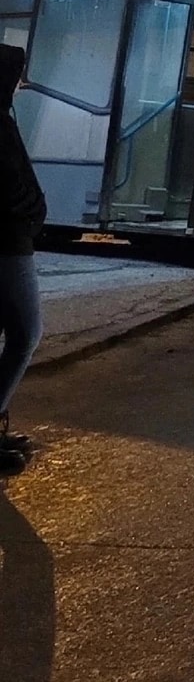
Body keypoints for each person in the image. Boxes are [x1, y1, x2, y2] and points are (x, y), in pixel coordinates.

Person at [0, 44, 47, 476]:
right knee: (27, 333)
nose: (21, 83)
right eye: (17, 75)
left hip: (11, 240)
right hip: (8, 246)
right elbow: (14, 185)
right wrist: (33, 212)